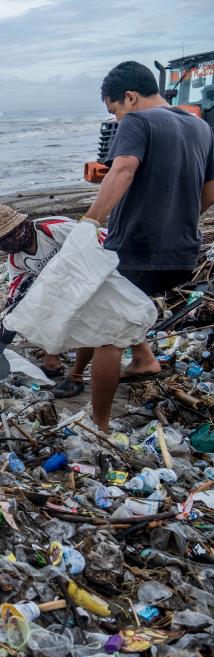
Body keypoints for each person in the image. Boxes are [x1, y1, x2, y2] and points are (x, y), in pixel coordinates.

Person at [71, 61, 214, 432]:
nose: (117, 119)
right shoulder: (200, 126)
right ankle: (144, 359)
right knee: (121, 305)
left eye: (114, 110)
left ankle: (99, 426)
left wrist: (90, 222)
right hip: (182, 253)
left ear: (130, 97)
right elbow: (211, 187)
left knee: (105, 332)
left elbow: (123, 171)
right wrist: (179, 213)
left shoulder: (137, 122)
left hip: (138, 249)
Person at [0, 204, 75, 377]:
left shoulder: (53, 229)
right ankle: (52, 361)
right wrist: (3, 340)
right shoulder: (16, 260)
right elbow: (17, 298)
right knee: (40, 308)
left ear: (21, 227)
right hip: (62, 287)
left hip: (90, 273)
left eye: (7, 239)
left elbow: (98, 240)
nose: (5, 246)